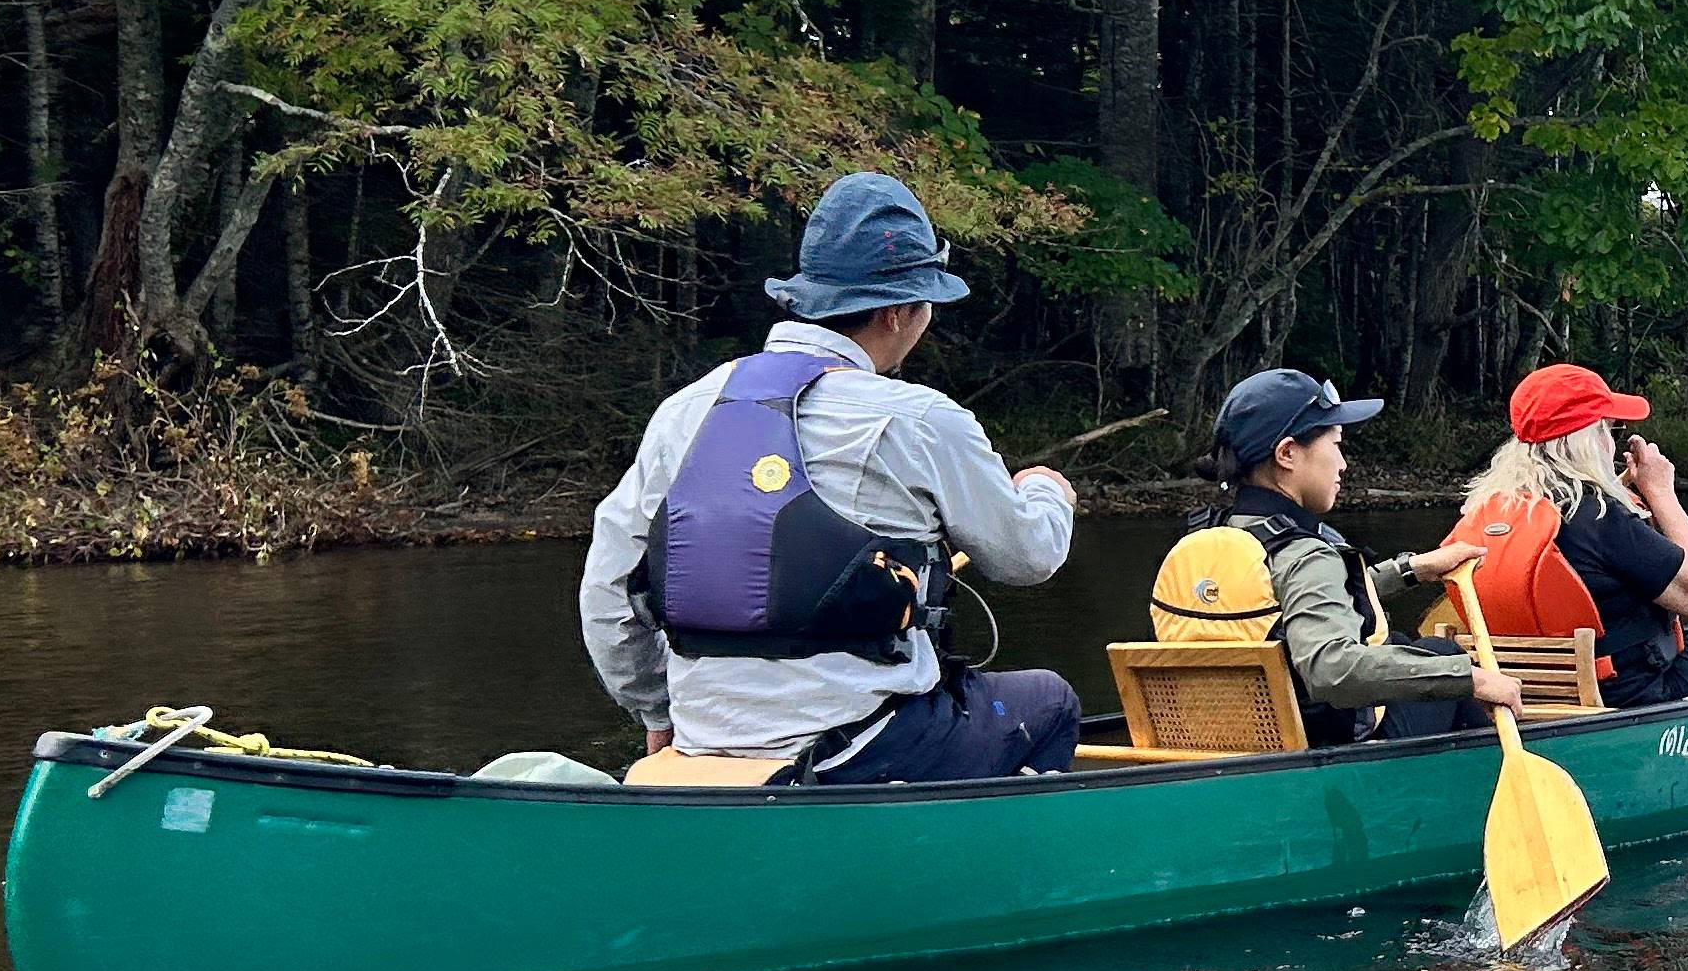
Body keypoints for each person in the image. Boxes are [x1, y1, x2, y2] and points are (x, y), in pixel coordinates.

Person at [579, 172, 1084, 781]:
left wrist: (657, 711)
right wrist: (1046, 494)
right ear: (900, 311)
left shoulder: (685, 409)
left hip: (701, 739)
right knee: (1050, 701)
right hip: (856, 747)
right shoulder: (921, 418)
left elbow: (608, 590)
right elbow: (1026, 557)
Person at [1177, 367, 1522, 746]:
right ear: (1287, 453)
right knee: (1440, 654)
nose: (1342, 464)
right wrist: (1469, 678)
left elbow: (1295, 604)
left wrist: (1410, 570)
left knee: (1423, 651)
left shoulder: (1216, 539)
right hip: (1326, 758)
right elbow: (1331, 669)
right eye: (1336, 444)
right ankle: (1487, 789)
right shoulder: (1304, 552)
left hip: (1234, 742)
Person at [1445, 364, 1688, 705]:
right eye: (1607, 428)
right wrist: (1660, 492)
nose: (1610, 440)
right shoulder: (1598, 516)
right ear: (1588, 438)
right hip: (1634, 696)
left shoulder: (1485, 512)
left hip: (1534, 697)